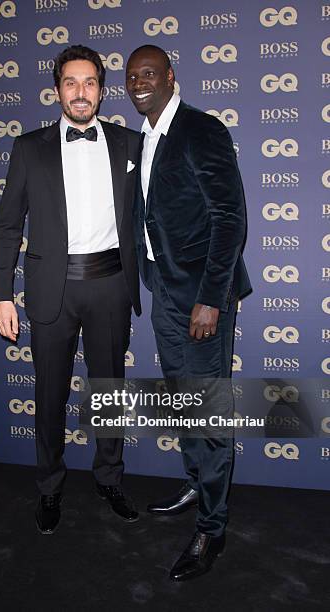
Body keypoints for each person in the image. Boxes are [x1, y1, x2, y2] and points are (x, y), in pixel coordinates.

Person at [0, 44, 141, 534]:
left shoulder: (128, 144)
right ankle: (50, 487)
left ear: (102, 89)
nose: (81, 93)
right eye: (71, 83)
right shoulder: (28, 147)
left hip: (111, 286)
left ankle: (109, 477)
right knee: (50, 395)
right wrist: (0, 295)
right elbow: (8, 226)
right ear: (57, 91)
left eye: (90, 83)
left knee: (108, 392)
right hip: (51, 291)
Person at [126, 45, 252, 580]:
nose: (138, 83)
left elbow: (231, 217)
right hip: (166, 294)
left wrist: (210, 296)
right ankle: (199, 483)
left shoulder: (201, 129)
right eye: (131, 77)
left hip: (203, 298)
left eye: (149, 74)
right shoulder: (146, 138)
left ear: (171, 77)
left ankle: (212, 528)